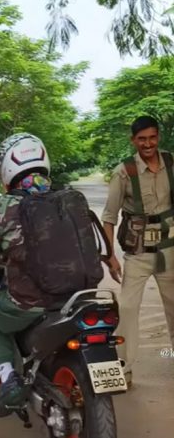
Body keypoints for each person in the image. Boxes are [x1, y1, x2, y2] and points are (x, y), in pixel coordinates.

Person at [0, 133, 105, 417]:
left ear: (6, 169)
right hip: (81, 296)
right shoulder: (70, 200)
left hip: (31, 303)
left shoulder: (5, 207)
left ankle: (9, 381)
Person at [101, 115, 174, 386]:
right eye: (142, 139)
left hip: (169, 250)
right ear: (133, 140)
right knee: (129, 308)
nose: (148, 143)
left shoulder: (171, 163)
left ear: (158, 137)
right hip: (139, 253)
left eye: (152, 137)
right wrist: (110, 257)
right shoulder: (124, 172)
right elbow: (109, 218)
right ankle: (123, 368)